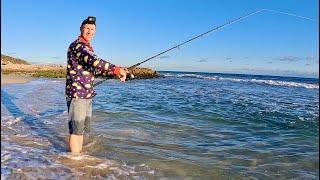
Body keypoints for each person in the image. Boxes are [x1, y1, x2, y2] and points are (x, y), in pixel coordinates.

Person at [66, 16, 127, 154]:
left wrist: (115, 74)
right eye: (87, 28)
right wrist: (117, 69)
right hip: (78, 95)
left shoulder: (88, 48)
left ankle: (76, 158)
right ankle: (74, 164)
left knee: (80, 130)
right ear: (81, 29)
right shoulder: (78, 46)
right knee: (76, 131)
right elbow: (95, 62)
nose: (89, 31)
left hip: (86, 95)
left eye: (92, 29)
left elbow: (95, 70)